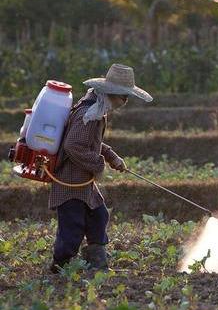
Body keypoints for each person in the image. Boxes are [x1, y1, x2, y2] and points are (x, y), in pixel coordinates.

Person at [49, 63, 152, 273]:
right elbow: (72, 146)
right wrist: (97, 163)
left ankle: (97, 263)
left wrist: (112, 157)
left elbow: (92, 143)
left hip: (82, 181)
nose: (125, 101)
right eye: (124, 96)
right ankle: (61, 267)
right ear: (111, 93)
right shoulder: (88, 114)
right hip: (70, 181)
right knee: (72, 227)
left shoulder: (97, 110)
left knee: (98, 215)